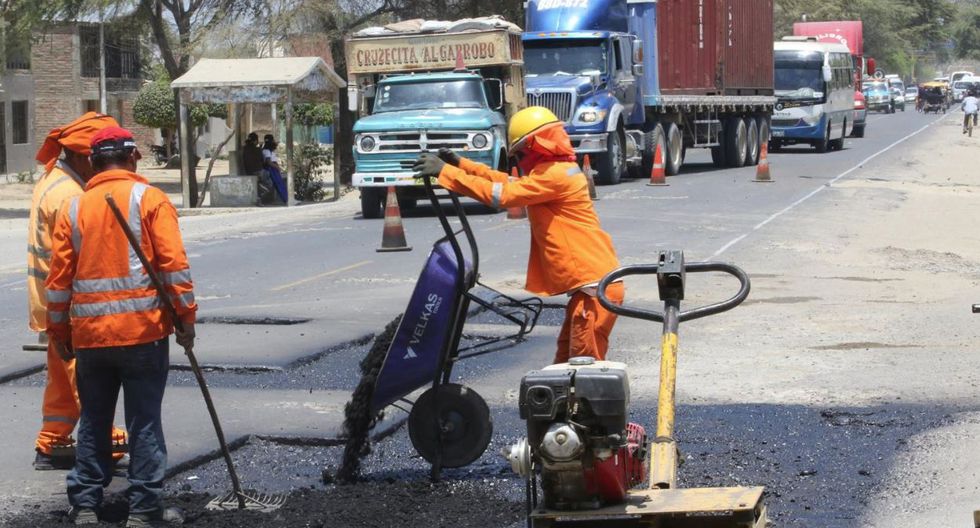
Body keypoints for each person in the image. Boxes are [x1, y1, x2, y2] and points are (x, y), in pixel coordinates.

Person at [46, 126, 196, 526]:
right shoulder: (151, 200)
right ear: (132, 159)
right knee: (143, 422)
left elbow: (58, 282)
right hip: (143, 334)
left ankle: (86, 507)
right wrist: (186, 320)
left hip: (91, 338)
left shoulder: (74, 208)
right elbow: (174, 267)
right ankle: (144, 510)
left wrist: (59, 334)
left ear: (94, 163)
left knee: (94, 420)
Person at [413, 106, 624, 364]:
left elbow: (503, 195)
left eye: (521, 153)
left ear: (537, 146)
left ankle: (587, 406)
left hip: (594, 290)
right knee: (566, 367)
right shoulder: (552, 172)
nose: (519, 161)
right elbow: (507, 183)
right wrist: (462, 165)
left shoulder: (555, 177)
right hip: (592, 287)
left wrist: (445, 173)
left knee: (583, 371)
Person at [29, 112, 128, 471]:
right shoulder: (70, 195)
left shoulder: (53, 180)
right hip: (68, 303)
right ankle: (101, 443)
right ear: (86, 157)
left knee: (61, 374)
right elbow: (79, 258)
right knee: (82, 376)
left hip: (50, 300)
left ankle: (52, 442)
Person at [262, 134, 287, 203]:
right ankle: (286, 199)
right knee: (279, 184)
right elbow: (269, 162)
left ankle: (286, 198)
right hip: (271, 169)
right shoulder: (266, 151)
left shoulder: (270, 150)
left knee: (281, 183)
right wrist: (277, 167)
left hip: (274, 168)